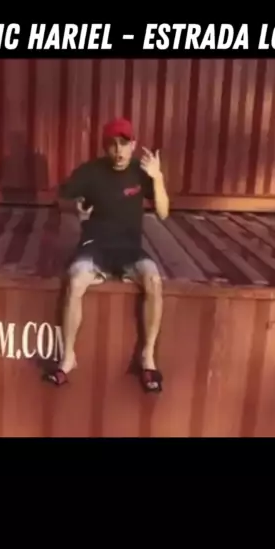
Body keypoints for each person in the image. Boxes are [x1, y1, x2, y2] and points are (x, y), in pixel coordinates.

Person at [44, 117, 170, 392]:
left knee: (153, 280)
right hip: (95, 245)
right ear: (105, 147)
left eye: (124, 144)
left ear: (133, 145)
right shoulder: (90, 172)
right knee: (75, 279)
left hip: (129, 249)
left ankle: (147, 357)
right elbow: (60, 199)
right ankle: (67, 358)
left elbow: (163, 212)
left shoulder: (141, 172)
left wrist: (158, 177)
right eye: (113, 145)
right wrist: (75, 208)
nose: (118, 150)